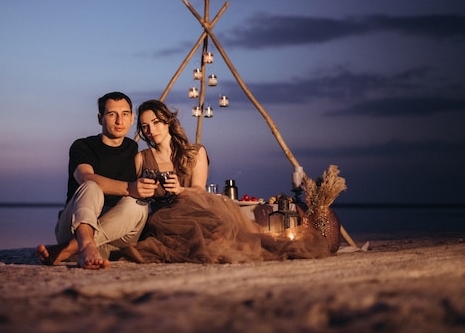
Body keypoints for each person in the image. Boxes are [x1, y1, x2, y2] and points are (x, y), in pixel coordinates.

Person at [124, 99, 330, 264]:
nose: (151, 129)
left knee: (224, 234)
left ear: (168, 121)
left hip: (194, 204)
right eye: (145, 126)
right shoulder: (142, 158)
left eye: (156, 122)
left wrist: (179, 189)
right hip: (163, 217)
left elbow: (198, 189)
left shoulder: (195, 152)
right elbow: (131, 189)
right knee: (180, 244)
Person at [37, 92, 158, 269]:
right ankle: (84, 244)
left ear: (132, 118)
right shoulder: (82, 146)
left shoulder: (133, 149)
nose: (119, 121)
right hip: (75, 228)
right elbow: (85, 177)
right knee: (92, 186)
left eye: (125, 114)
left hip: (115, 239)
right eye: (112, 114)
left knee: (138, 205)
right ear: (100, 118)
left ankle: (71, 250)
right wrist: (130, 188)